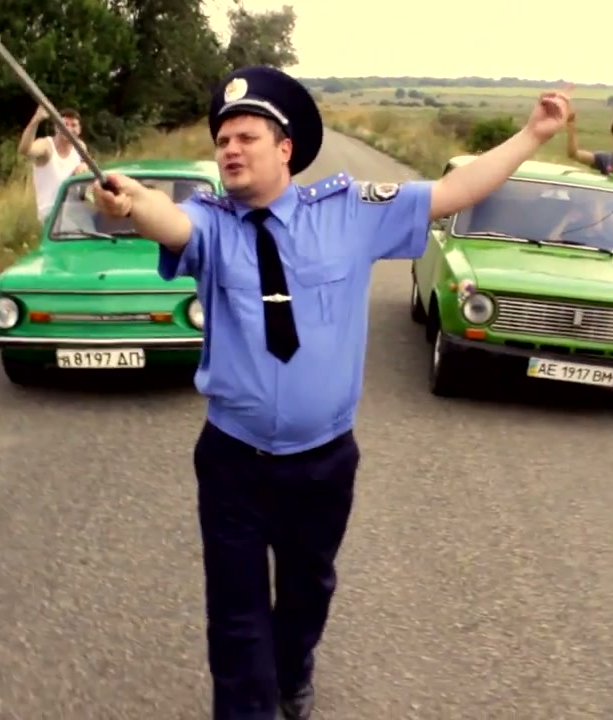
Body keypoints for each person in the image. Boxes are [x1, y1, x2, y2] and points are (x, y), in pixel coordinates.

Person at [88, 65, 571, 720]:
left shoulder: (349, 212)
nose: (230, 150)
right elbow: (166, 220)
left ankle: (294, 671)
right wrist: (129, 203)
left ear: (285, 148)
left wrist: (533, 134)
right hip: (233, 460)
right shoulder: (212, 222)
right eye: (222, 140)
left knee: (307, 590)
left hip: (323, 462)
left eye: (246, 137)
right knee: (235, 615)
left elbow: (453, 191)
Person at [17, 105, 88, 222]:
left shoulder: (80, 147)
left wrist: (84, 170)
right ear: (56, 127)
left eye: (74, 125)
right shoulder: (46, 146)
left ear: (79, 130)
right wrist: (36, 120)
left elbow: (86, 179)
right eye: (65, 124)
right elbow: (24, 150)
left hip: (76, 210)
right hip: (52, 213)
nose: (69, 129)